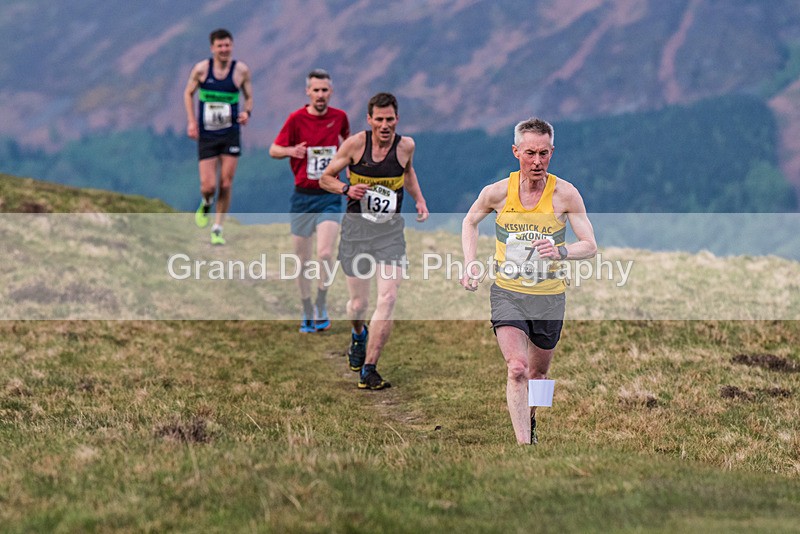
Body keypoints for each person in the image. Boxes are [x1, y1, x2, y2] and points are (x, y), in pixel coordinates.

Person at [460, 117, 597, 444]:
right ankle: (524, 445)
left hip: (550, 296)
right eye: (530, 153)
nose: (537, 161)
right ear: (516, 151)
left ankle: (533, 420)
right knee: (518, 368)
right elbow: (469, 221)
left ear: (552, 152)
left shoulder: (566, 194)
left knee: (540, 374)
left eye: (544, 154)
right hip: (508, 292)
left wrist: (561, 251)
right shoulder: (497, 193)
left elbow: (590, 246)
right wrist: (469, 263)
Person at [320, 92, 429, 390]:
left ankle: (370, 368)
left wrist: (419, 200)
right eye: (379, 120)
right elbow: (325, 178)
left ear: (397, 120)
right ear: (369, 120)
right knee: (358, 304)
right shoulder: (356, 145)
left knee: (388, 298)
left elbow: (407, 173)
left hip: (390, 233)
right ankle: (358, 334)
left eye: (389, 119)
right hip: (356, 232)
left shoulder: (406, 146)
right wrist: (346, 189)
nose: (385, 125)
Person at [269, 69, 350, 333]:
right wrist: (291, 151)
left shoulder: (339, 118)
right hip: (303, 197)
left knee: (325, 253)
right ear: (308, 92)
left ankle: (321, 302)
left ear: (331, 92)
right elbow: (273, 150)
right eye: (315, 90)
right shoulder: (296, 119)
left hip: (329, 195)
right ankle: (306, 309)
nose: (320, 95)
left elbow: (349, 147)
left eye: (324, 90)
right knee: (302, 261)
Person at [183, 28, 253, 245]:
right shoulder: (202, 70)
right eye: (220, 46)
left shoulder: (240, 71)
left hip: (230, 133)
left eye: (227, 45)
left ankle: (217, 228)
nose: (224, 49)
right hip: (207, 134)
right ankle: (206, 202)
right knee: (208, 185)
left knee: (226, 182)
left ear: (232, 46)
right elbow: (188, 93)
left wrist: (246, 113)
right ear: (212, 48)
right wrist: (192, 121)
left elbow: (249, 97)